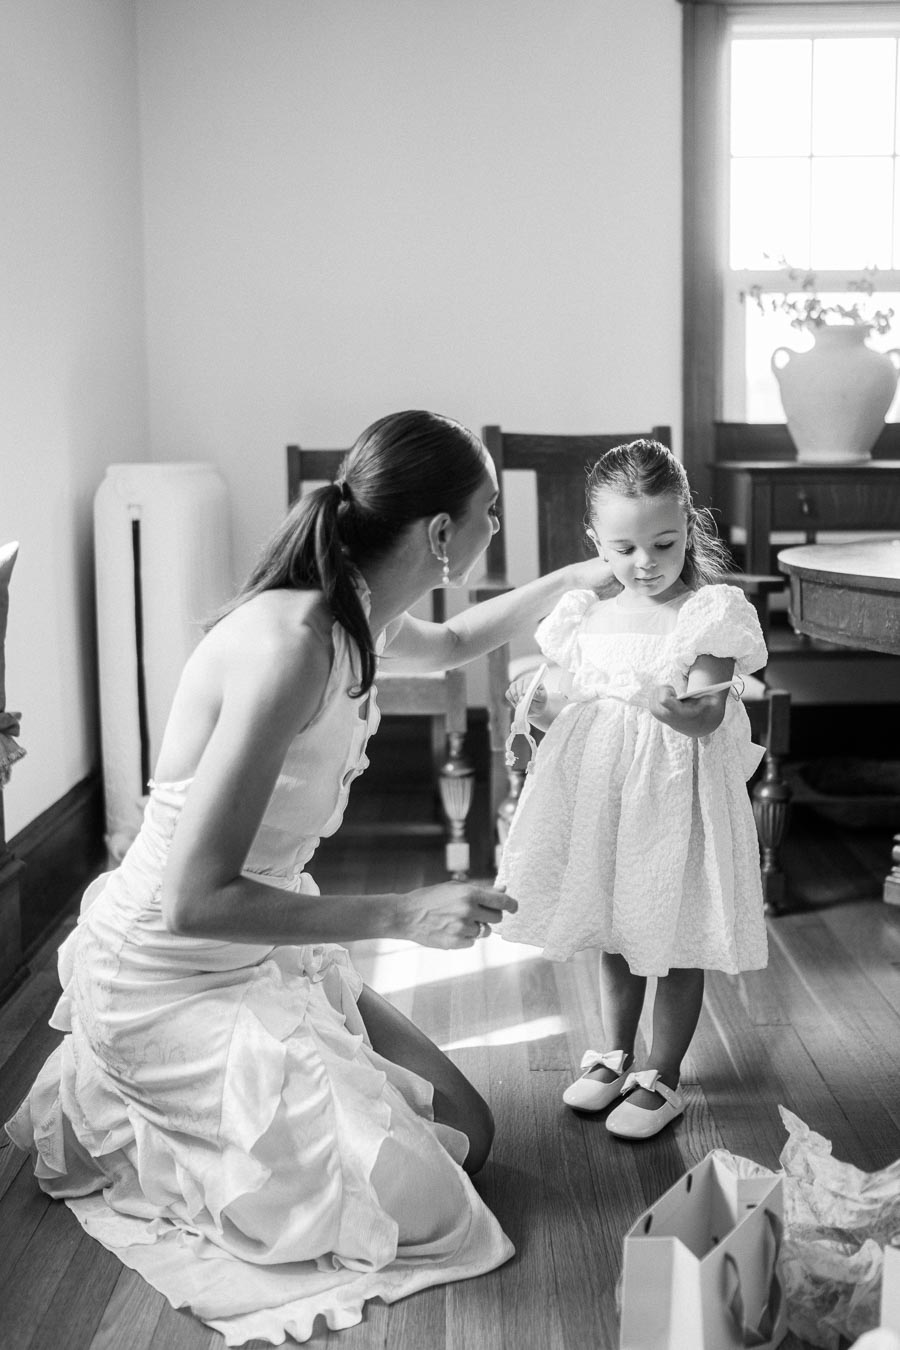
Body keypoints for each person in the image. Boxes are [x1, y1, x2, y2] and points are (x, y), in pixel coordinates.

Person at [5, 410, 617, 1344]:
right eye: (490, 513)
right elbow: (194, 898)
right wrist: (405, 912)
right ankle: (132, 1105)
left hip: (256, 953)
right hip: (167, 972)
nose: (497, 529)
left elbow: (455, 646)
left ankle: (216, 1109)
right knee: (426, 1210)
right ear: (443, 535)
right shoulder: (290, 642)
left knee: (470, 1135)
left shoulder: (362, 614)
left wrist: (581, 577)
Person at [496, 438, 769, 1141]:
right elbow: (570, 698)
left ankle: (664, 1073)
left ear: (689, 528)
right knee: (620, 926)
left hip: (678, 798)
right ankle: (613, 1054)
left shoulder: (706, 612)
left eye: (664, 543)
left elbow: (709, 708)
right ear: (596, 542)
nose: (644, 563)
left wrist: (674, 708)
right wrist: (540, 703)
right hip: (610, 796)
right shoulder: (585, 614)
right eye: (624, 548)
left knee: (674, 933)